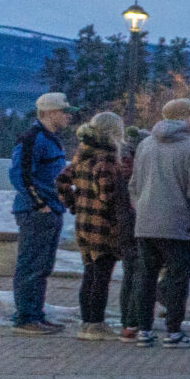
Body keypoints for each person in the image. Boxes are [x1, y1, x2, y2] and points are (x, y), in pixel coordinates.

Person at [125, 99, 190, 346]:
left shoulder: (145, 145)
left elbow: (134, 186)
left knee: (146, 278)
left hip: (146, 223)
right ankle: (173, 331)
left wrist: (141, 208)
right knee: (178, 279)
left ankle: (144, 331)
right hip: (179, 224)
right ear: (184, 118)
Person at [57, 112, 132, 341]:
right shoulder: (106, 160)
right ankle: (96, 324)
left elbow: (61, 182)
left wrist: (74, 204)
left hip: (84, 224)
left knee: (90, 273)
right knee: (101, 276)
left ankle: (87, 322)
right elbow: (108, 196)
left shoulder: (81, 157)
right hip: (104, 226)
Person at [5, 91, 75, 335]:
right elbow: (19, 175)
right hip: (37, 212)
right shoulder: (33, 139)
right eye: (64, 111)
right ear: (49, 113)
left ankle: (36, 314)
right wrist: (38, 204)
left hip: (50, 210)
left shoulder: (50, 139)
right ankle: (26, 318)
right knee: (31, 266)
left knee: (42, 266)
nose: (68, 116)